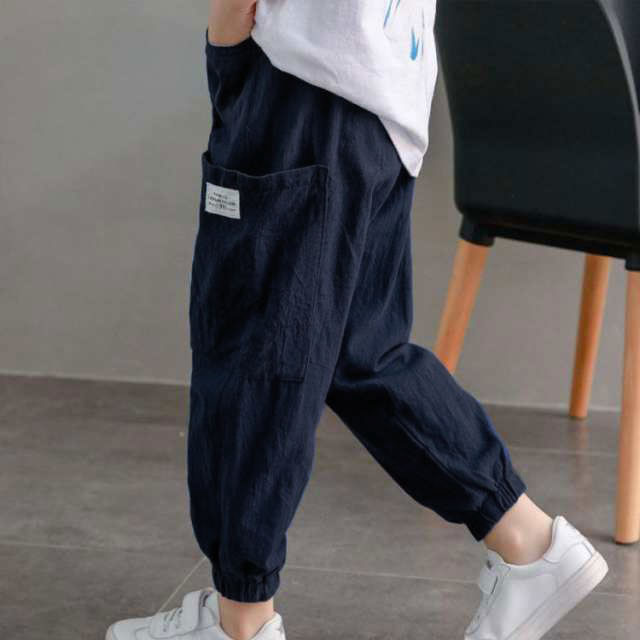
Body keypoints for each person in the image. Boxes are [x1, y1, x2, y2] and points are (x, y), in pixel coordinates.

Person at [106, 2, 608, 639]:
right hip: (383, 90)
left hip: (301, 87)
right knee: (362, 353)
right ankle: (529, 541)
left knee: (255, 355)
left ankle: (240, 622)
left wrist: (228, 44)